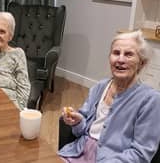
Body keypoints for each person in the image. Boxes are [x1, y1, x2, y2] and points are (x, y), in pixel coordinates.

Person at [58, 30, 160, 163]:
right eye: (116, 53)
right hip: (76, 152)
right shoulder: (100, 87)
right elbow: (80, 131)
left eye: (128, 54)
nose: (120, 59)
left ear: (141, 63)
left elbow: (140, 154)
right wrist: (77, 121)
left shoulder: (150, 100)